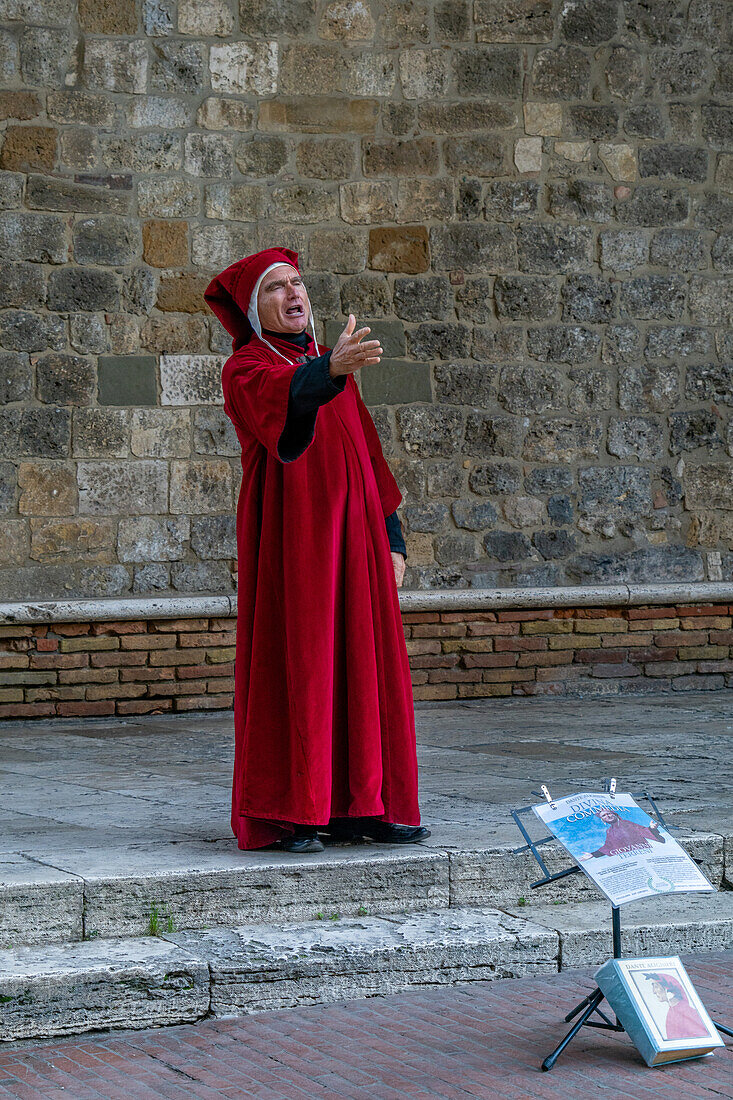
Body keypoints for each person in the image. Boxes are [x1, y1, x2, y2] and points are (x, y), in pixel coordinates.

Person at [204, 248, 429, 853]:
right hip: (293, 544)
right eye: (277, 288)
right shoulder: (248, 367)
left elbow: (368, 456)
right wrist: (328, 369)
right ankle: (292, 811)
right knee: (301, 663)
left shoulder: (329, 364)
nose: (293, 293)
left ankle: (365, 806)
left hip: (356, 540)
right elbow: (288, 402)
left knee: (366, 663)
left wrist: (392, 538)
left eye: (298, 282)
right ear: (256, 310)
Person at [581, 807, 666, 860]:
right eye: (604, 815)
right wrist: (593, 854)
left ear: (614, 814)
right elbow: (608, 846)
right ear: (603, 820)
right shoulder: (609, 831)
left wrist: (651, 828)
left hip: (642, 854)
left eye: (609, 813)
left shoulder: (626, 823)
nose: (608, 816)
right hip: (626, 858)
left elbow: (642, 830)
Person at [644, 972, 708, 1040]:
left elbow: (701, 1039)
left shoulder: (686, 1012)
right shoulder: (672, 1011)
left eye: (656, 986)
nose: (654, 991)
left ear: (667, 989)